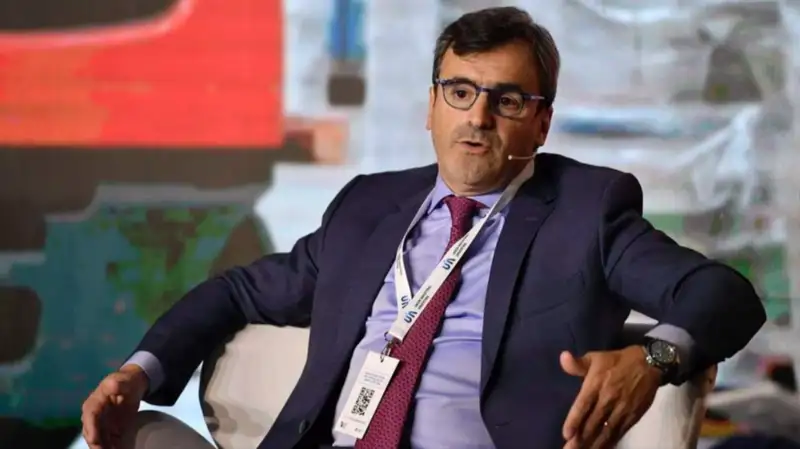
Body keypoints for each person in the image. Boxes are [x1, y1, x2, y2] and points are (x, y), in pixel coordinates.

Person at [81, 6, 766, 449]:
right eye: (460, 92)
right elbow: (238, 291)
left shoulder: (586, 211)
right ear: (432, 107)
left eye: (507, 100)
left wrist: (653, 358)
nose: (478, 117)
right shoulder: (368, 207)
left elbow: (724, 292)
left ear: (541, 122)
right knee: (139, 433)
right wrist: (137, 373)